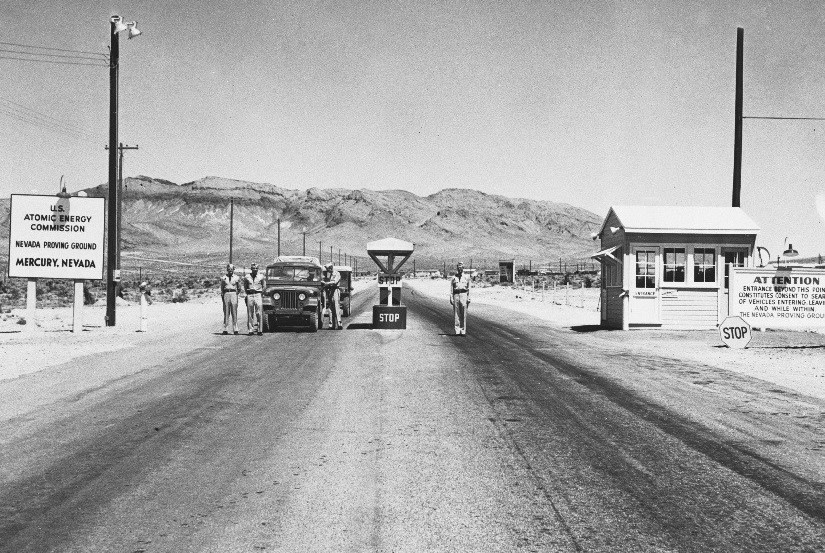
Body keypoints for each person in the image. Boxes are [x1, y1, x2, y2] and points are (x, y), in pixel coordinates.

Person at [244, 262, 266, 335]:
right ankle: (250, 330)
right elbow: (245, 286)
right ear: (251, 269)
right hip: (250, 295)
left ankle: (260, 330)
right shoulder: (247, 277)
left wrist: (261, 293)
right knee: (250, 313)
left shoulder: (261, 276)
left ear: (258, 269)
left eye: (256, 268)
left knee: (259, 312)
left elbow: (264, 286)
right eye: (253, 268)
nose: (255, 270)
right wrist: (247, 293)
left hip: (258, 294)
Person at [450, 261, 471, 335]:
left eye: (461, 267)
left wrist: (469, 297)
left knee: (463, 313)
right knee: (456, 312)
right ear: (457, 268)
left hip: (464, 294)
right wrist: (451, 297)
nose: (460, 269)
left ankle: (463, 330)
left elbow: (469, 288)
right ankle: (457, 330)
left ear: (463, 268)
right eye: (458, 268)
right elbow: (451, 288)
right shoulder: (453, 277)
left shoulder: (467, 277)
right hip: (456, 295)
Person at [220, 263, 241, 334]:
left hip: (234, 294)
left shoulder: (236, 278)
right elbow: (222, 288)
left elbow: (239, 288)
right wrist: (223, 294)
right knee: (226, 312)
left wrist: (235, 293)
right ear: (227, 270)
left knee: (234, 312)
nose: (230, 271)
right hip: (226, 294)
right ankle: (225, 329)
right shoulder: (223, 278)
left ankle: (235, 329)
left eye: (231, 269)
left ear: (233, 270)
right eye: (229, 269)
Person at [321, 262, 343, 330]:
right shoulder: (329, 274)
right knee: (330, 308)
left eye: (328, 269)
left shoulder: (337, 273)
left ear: (331, 268)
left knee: (336, 307)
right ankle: (331, 325)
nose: (327, 270)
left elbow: (335, 282)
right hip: (330, 291)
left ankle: (339, 324)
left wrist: (326, 283)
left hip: (335, 291)